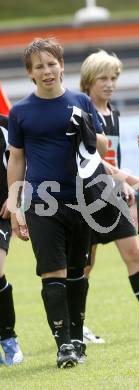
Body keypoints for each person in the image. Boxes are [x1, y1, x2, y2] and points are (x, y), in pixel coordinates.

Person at [7, 37, 108, 368]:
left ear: (62, 66)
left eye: (52, 64)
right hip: (42, 202)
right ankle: (63, 344)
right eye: (39, 67)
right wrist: (15, 201)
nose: (47, 71)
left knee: (78, 272)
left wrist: (89, 132)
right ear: (30, 74)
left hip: (81, 200)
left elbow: (100, 150)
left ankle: (77, 338)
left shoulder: (81, 101)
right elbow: (17, 159)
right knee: (53, 273)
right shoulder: (20, 112)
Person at [79, 49, 139, 342]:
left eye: (114, 77)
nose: (110, 83)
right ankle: (78, 326)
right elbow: (90, 159)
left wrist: (123, 182)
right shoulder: (82, 111)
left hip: (111, 194)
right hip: (85, 196)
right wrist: (128, 179)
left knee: (134, 253)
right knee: (86, 264)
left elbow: (113, 156)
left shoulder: (112, 113)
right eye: (103, 78)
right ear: (89, 80)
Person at [0, 114, 24, 366]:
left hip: (1, 212)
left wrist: (13, 196)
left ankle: (8, 339)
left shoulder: (7, 125)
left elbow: (22, 161)